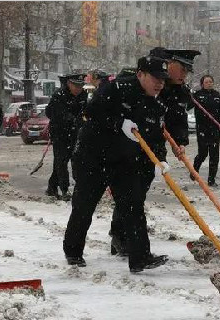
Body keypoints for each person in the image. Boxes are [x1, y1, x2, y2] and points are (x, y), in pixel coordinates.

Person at [63, 55, 170, 273]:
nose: (160, 83)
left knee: (133, 206)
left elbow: (156, 136)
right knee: (84, 206)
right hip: (93, 156)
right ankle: (73, 252)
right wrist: (118, 122)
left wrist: (160, 160)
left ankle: (139, 258)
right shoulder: (116, 88)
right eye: (155, 78)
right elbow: (90, 113)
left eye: (163, 79)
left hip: (123, 161)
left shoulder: (156, 102)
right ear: (140, 74)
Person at [109, 48, 200, 257]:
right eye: (182, 69)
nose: (184, 75)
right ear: (169, 63)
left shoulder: (179, 90)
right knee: (129, 195)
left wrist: (180, 142)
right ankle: (121, 238)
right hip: (130, 146)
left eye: (187, 71)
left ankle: (124, 237)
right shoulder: (144, 80)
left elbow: (177, 119)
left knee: (138, 194)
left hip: (154, 149)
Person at [45, 73, 88, 200]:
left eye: (81, 86)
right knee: (62, 162)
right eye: (76, 86)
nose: (79, 88)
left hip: (75, 134)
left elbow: (84, 113)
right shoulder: (59, 96)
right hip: (60, 134)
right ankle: (64, 190)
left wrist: (82, 122)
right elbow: (55, 114)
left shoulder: (83, 96)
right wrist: (71, 120)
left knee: (63, 162)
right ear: (69, 84)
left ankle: (51, 187)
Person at [192, 74, 220, 187]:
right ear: (202, 84)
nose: (209, 83)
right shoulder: (197, 95)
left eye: (211, 81)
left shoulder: (217, 95)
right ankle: (194, 170)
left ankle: (211, 180)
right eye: (206, 82)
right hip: (202, 128)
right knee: (202, 153)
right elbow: (188, 106)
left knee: (214, 155)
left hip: (215, 129)